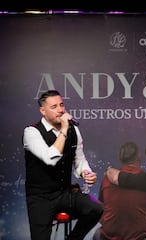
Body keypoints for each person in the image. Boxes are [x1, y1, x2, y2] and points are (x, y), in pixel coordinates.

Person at [23, 89, 103, 240]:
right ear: (43, 111)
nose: (60, 110)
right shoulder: (31, 132)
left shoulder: (74, 131)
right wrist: (64, 129)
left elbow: (79, 159)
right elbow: (51, 159)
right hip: (41, 197)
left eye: (61, 105)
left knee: (96, 208)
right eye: (54, 107)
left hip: (64, 193)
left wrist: (86, 171)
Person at [93, 141, 146, 240]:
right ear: (138, 156)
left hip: (108, 236)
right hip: (139, 237)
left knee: (98, 232)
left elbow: (100, 211)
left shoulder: (107, 179)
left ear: (120, 158)